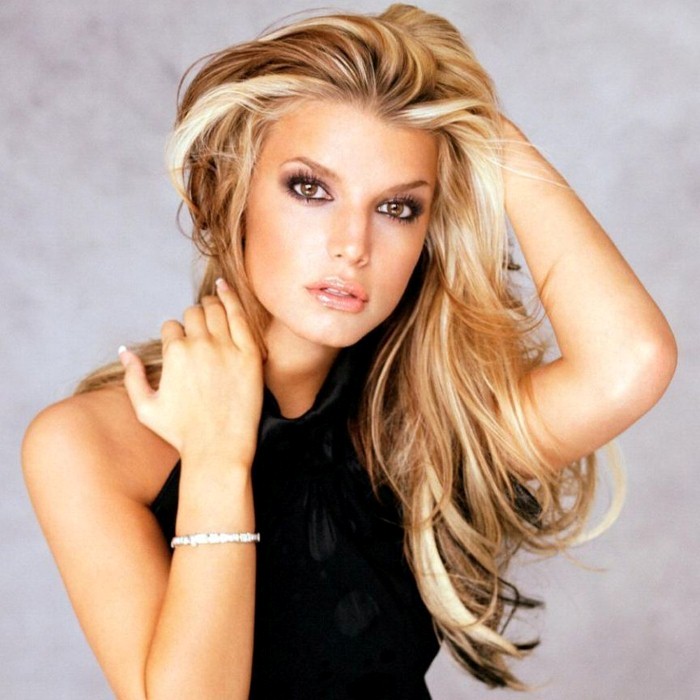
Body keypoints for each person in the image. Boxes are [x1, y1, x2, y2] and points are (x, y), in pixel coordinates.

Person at [21, 4, 676, 699]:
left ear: (429, 234)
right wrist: (216, 460)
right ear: (229, 191)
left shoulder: (425, 434)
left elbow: (630, 361)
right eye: (310, 189)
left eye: (398, 207)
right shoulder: (90, 443)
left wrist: (477, 122)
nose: (353, 245)